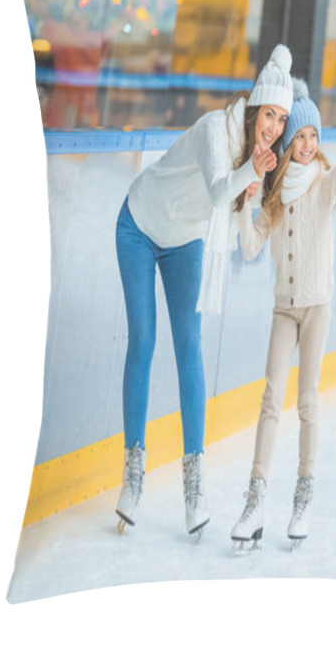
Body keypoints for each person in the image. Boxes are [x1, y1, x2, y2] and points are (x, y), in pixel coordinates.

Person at [114, 44, 294, 536]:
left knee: (189, 349)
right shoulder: (218, 129)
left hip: (185, 242)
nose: (274, 127)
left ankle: (194, 483)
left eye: (282, 119)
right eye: (270, 115)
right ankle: (133, 474)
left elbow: (243, 235)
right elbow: (219, 190)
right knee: (145, 341)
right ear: (255, 107)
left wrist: (262, 207)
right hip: (139, 224)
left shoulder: (251, 158)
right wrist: (250, 176)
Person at [230, 78, 336, 550]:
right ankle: (255, 497)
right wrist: (249, 203)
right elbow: (251, 246)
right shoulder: (276, 197)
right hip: (284, 309)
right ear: (288, 140)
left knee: (307, 401)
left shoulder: (322, 186)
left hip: (317, 307)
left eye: (312, 137)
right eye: (298, 136)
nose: (306, 144)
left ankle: (304, 494)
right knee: (270, 398)